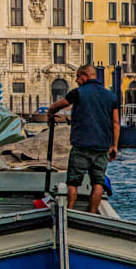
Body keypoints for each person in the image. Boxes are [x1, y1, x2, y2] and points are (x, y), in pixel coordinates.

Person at [47, 64, 119, 213]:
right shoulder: (111, 96)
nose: (76, 81)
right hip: (102, 147)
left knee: (73, 182)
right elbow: (116, 123)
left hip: (81, 145)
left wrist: (50, 114)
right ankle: (92, 213)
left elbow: (58, 105)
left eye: (78, 77)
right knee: (98, 183)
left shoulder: (78, 93)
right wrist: (114, 146)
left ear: (86, 76)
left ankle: (70, 211)